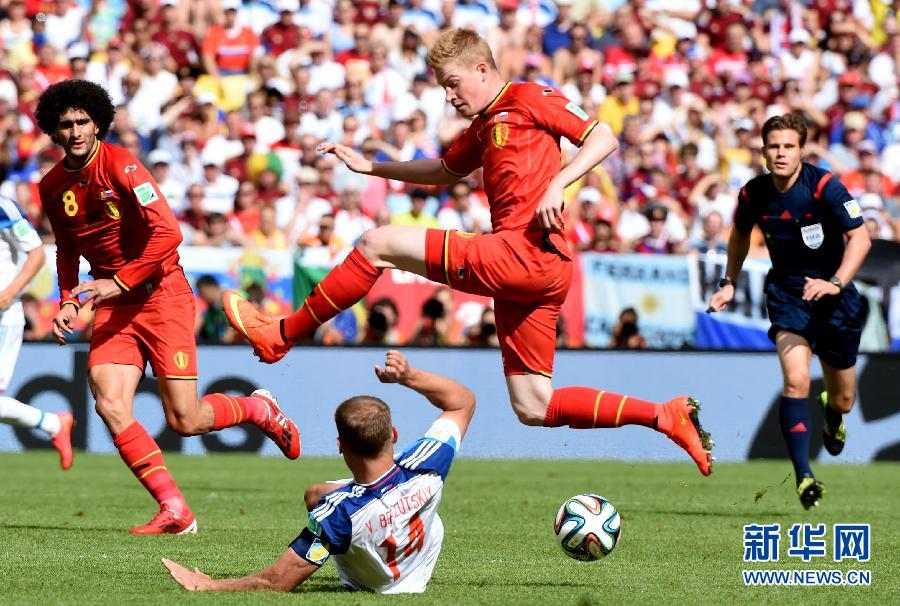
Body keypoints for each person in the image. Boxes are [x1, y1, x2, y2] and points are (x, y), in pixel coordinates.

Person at [223, 29, 713, 476]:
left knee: (377, 243)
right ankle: (663, 415)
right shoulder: (485, 126)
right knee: (533, 405)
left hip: (525, 252)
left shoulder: (527, 95)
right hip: (537, 270)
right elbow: (442, 171)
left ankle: (281, 334)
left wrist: (559, 182)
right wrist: (370, 166)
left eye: (453, 83)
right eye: (442, 87)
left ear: (483, 69)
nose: (449, 95)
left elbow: (601, 137)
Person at [34, 80, 302, 535]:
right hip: (113, 303)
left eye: (83, 121)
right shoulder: (52, 185)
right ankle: (175, 509)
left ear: (98, 122)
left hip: (161, 295)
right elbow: (65, 248)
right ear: (53, 132)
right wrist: (66, 299)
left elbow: (169, 235)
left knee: (185, 419)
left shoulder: (123, 166)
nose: (76, 130)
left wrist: (116, 283)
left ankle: (258, 410)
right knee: (110, 401)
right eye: (66, 124)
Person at [162, 350, 474, 594]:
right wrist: (409, 375)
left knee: (323, 503)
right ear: (393, 434)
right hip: (418, 554)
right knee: (315, 492)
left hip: (376, 580)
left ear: (341, 445)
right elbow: (463, 403)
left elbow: (277, 581)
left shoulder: (337, 515)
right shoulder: (428, 461)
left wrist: (210, 584)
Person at [708, 113, 871, 509]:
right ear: (763, 153)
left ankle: (831, 413)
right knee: (796, 380)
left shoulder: (826, 186)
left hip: (835, 296)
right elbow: (739, 235)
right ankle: (804, 476)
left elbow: (861, 239)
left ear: (801, 150)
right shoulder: (753, 194)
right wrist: (729, 281)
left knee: (845, 400)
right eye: (773, 147)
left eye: (788, 147)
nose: (780, 154)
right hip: (788, 296)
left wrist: (834, 282)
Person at [0, 197, 73, 469]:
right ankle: (54, 424)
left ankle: (54, 424)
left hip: (4, 316)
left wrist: (9, 292)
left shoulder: (3, 208)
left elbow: (37, 253)